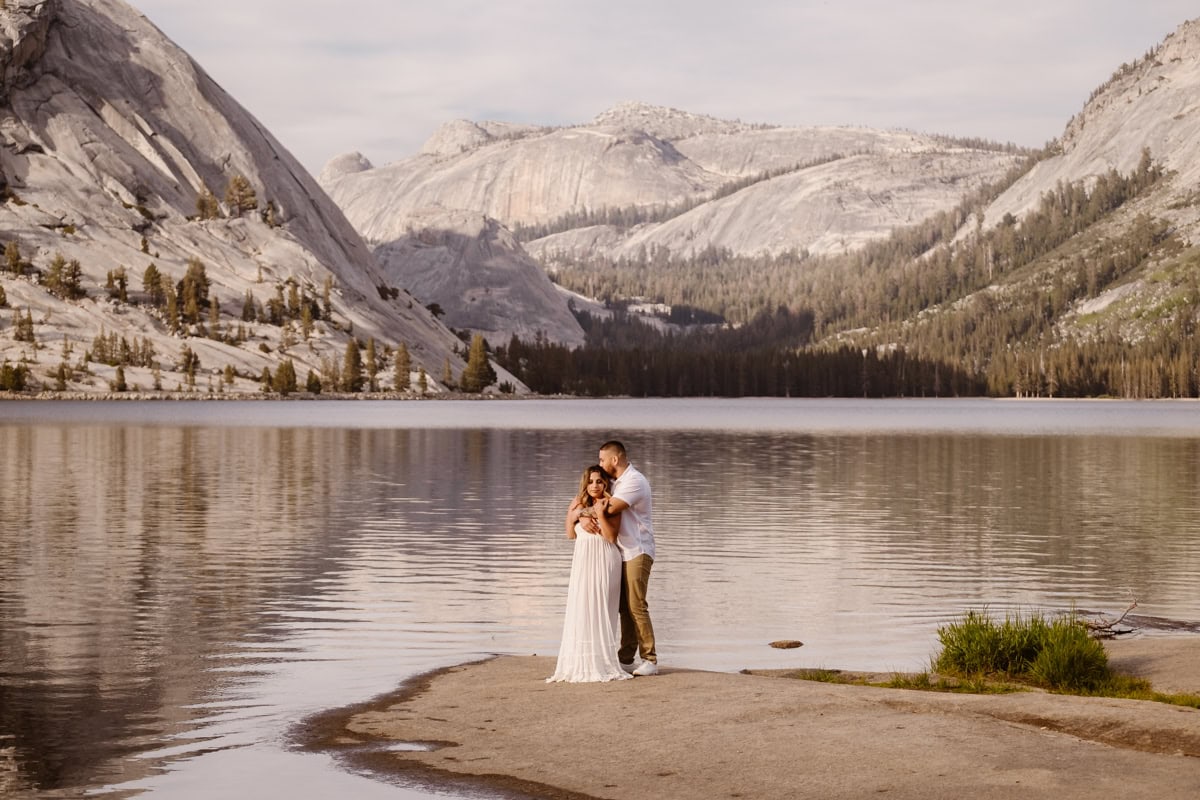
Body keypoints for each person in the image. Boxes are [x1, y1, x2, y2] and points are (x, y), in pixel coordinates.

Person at [546, 465, 631, 683]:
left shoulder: (610, 505)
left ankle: (602, 660)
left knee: (600, 608)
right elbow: (568, 534)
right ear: (585, 482)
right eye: (592, 481)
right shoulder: (576, 503)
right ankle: (581, 659)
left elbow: (611, 537)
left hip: (604, 558)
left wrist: (600, 514)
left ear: (606, 484)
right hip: (583, 561)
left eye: (600, 481)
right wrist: (578, 515)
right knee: (582, 606)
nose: (595, 486)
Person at [597, 440, 658, 676]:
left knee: (637, 605)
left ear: (615, 459)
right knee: (624, 607)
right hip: (623, 551)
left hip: (638, 550)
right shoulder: (616, 482)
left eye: (603, 459)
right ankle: (625, 658)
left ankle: (650, 659)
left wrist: (588, 510)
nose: (601, 464)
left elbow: (611, 508)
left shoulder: (634, 481)